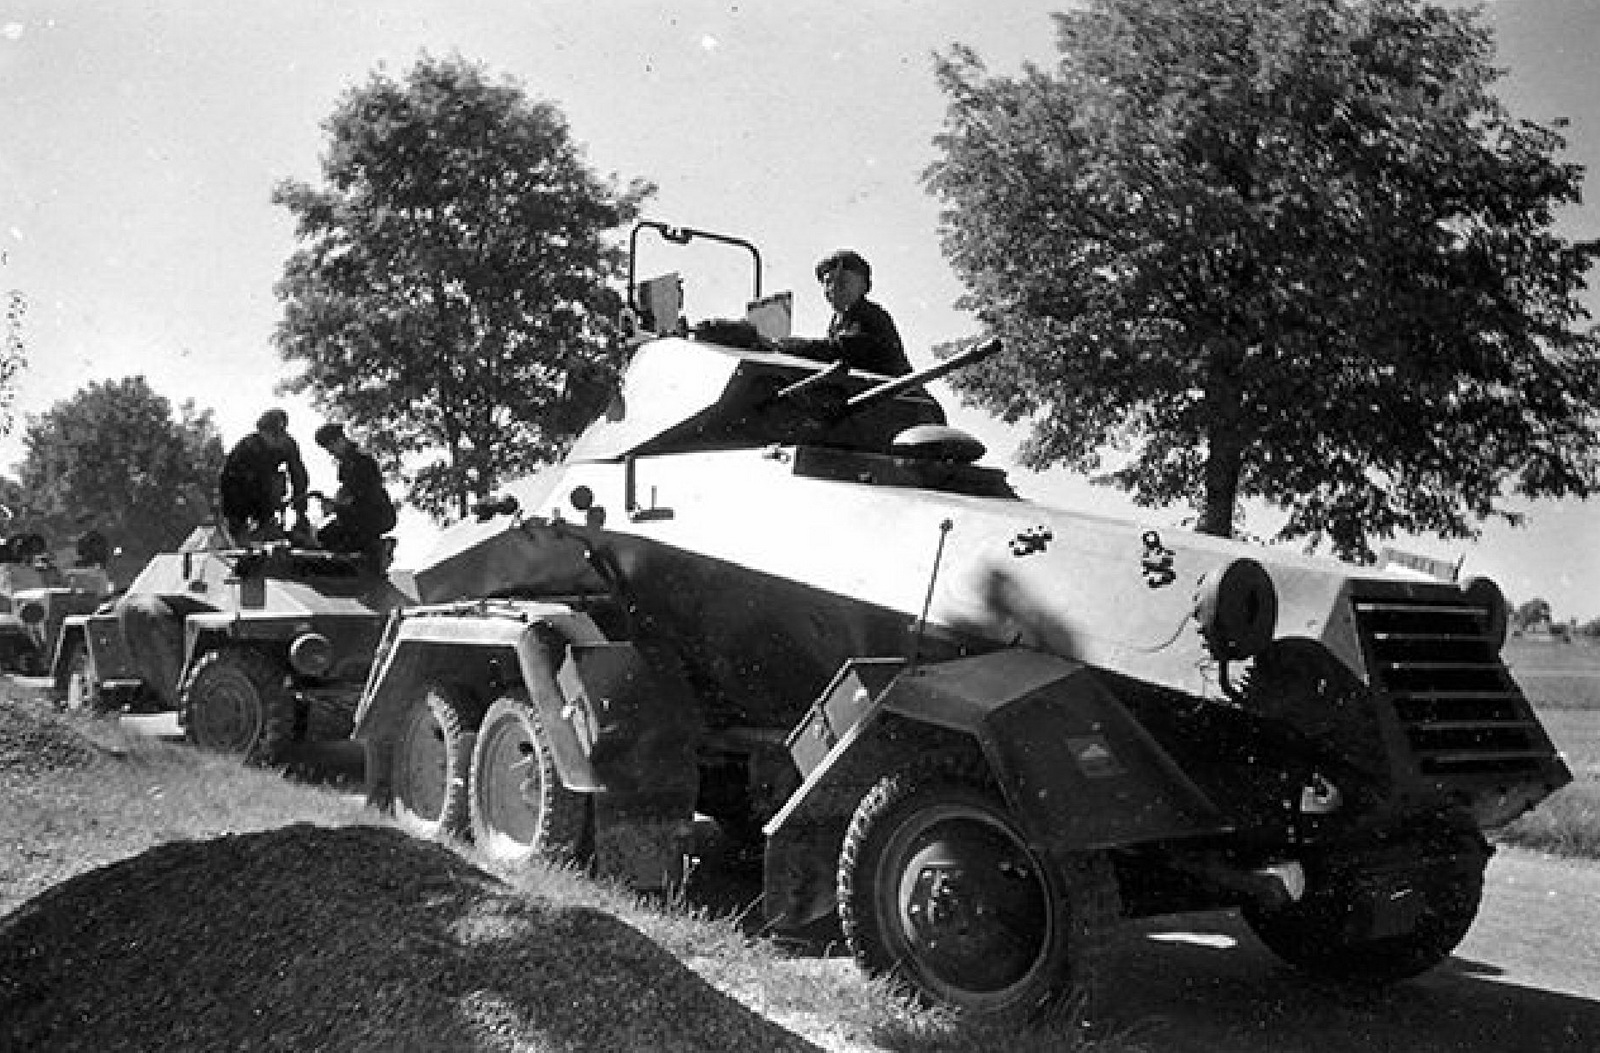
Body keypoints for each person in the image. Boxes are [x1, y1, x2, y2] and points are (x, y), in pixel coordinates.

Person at [777, 249, 913, 376]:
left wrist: (782, 345)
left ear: (864, 285)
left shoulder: (870, 315)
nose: (833, 288)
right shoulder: (838, 322)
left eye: (843, 281)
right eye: (828, 282)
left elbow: (841, 350)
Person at [218, 409, 309, 542]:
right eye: (269, 434)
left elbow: (298, 475)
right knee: (239, 522)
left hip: (266, 488)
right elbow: (228, 480)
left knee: (276, 480)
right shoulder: (247, 446)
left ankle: (268, 526)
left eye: (277, 434)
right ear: (261, 432)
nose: (273, 439)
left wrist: (300, 509)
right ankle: (244, 532)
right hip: (240, 488)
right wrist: (235, 517)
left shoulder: (288, 445)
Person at [312, 423, 397, 557]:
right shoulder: (345, 466)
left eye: (331, 446)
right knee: (325, 535)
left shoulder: (363, 461)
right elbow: (345, 492)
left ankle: (376, 550)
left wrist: (337, 506)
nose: (330, 452)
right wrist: (334, 503)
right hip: (358, 514)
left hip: (374, 514)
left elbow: (363, 495)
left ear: (340, 440)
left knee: (338, 539)